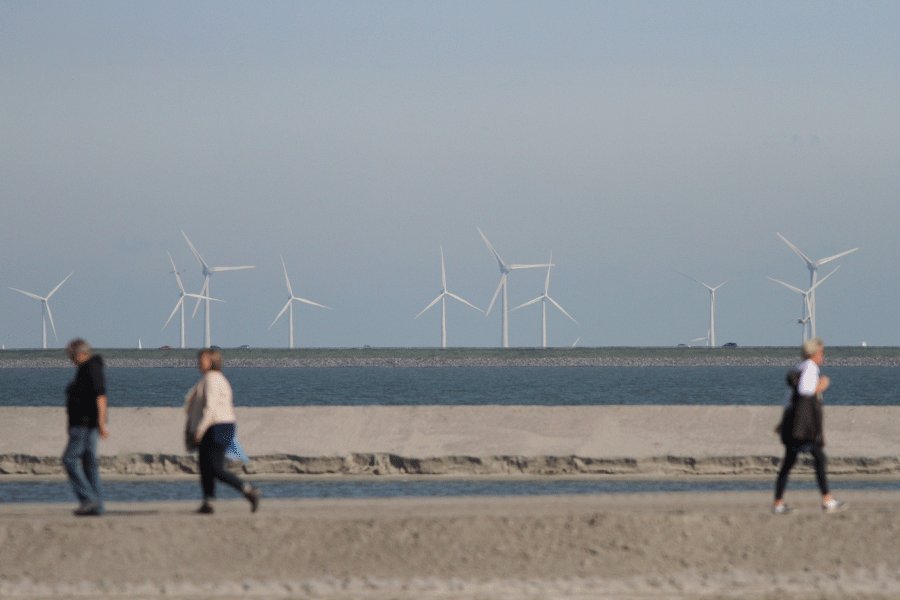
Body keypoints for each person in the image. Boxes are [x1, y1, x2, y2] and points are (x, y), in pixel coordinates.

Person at [772, 338, 846, 514]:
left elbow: (790, 398)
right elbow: (805, 391)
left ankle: (778, 503)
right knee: (819, 458)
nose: (823, 356)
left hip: (794, 423)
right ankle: (826, 500)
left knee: (789, 462)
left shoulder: (801, 368)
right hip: (803, 427)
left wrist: (783, 422)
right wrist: (822, 385)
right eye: (822, 353)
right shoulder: (810, 368)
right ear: (815, 354)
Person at [184, 348, 260, 514]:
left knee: (215, 468)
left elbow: (210, 408)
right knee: (205, 466)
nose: (198, 362)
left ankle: (248, 490)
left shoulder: (212, 379)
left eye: (202, 359)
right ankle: (208, 502)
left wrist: (199, 430)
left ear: (212, 361)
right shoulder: (216, 379)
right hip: (223, 425)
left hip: (216, 426)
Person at [63, 338, 108, 516]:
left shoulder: (91, 368)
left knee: (69, 459)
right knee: (89, 465)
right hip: (85, 424)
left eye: (72, 357)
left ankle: (89, 499)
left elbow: (101, 397)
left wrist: (102, 423)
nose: (71, 361)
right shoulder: (87, 369)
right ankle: (97, 507)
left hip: (85, 424)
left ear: (82, 353)